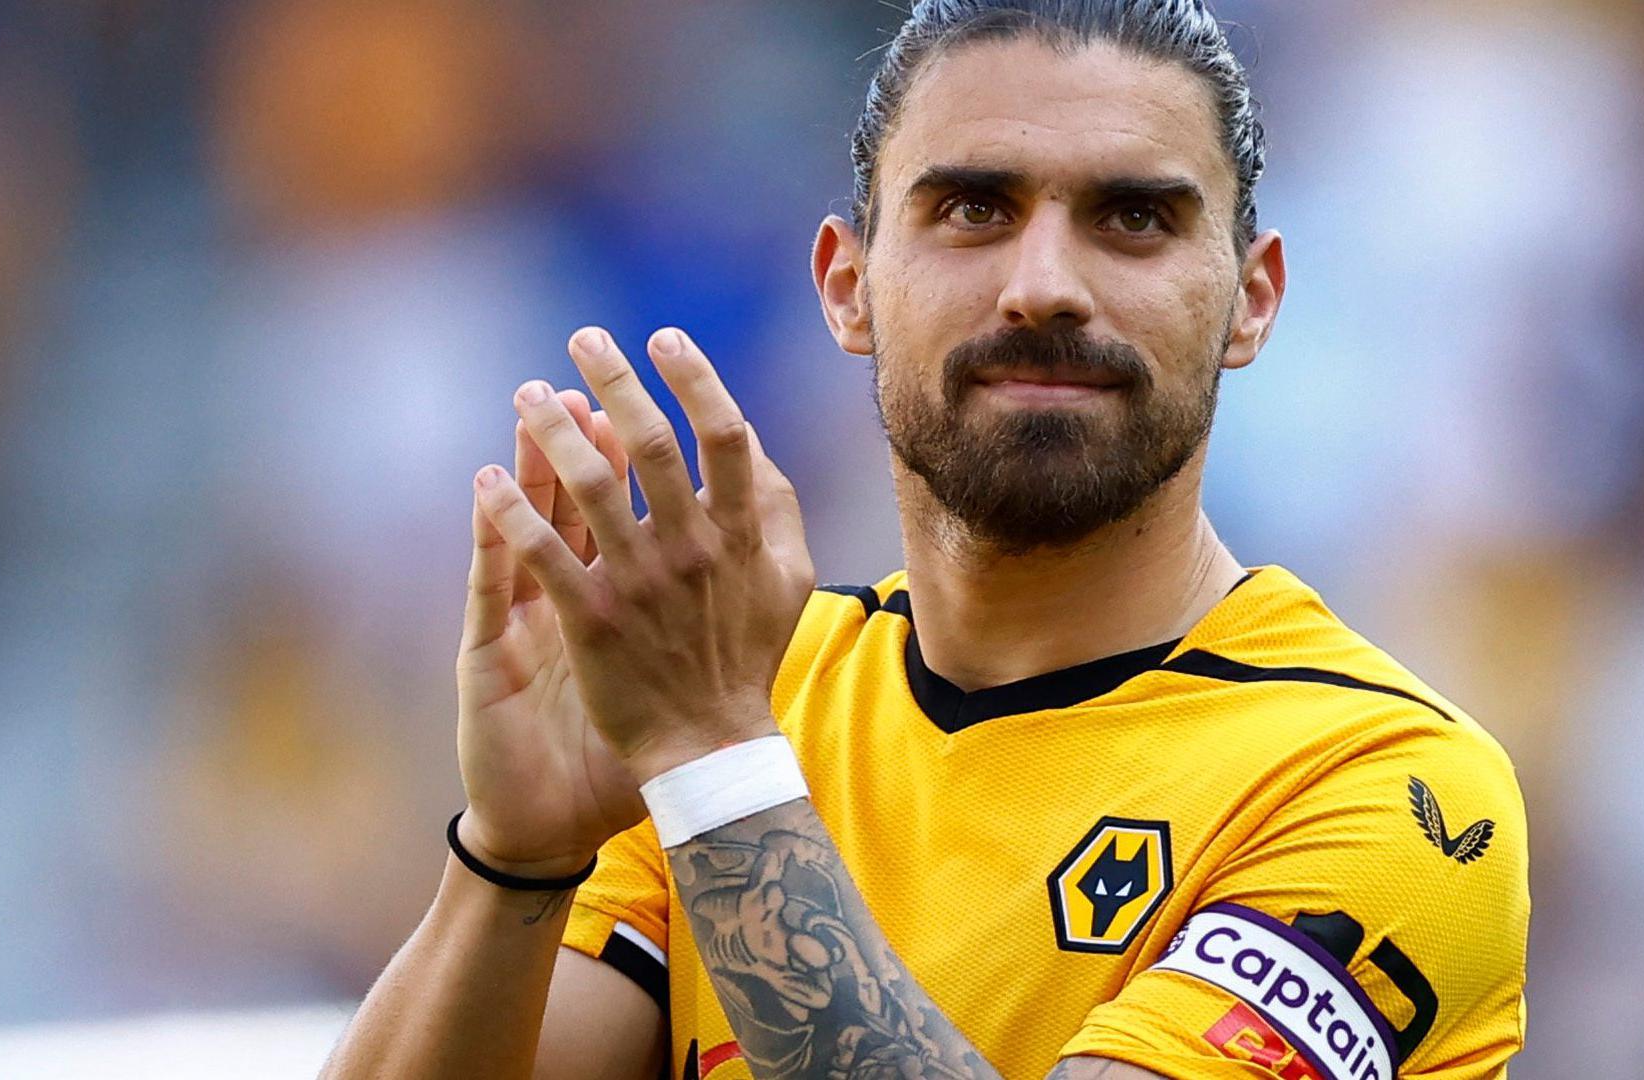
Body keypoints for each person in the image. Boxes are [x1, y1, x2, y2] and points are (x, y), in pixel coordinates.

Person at [323, 2, 1529, 1077]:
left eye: (1133, 218)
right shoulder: (756, 696)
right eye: (972, 209)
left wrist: (707, 756)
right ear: (847, 285)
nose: (1044, 283)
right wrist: (515, 856)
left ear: (1251, 299)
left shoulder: (1387, 787)